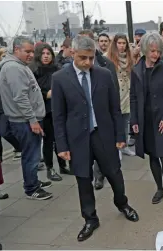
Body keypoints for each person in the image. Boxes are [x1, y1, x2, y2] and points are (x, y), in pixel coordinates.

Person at [52, 35, 139, 242]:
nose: (88, 63)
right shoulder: (60, 79)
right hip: (78, 139)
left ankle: (122, 203)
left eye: (91, 58)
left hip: (103, 134)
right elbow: (58, 116)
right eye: (83, 58)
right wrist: (62, 145)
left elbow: (114, 108)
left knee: (114, 174)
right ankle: (90, 219)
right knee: (83, 179)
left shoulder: (104, 74)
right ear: (73, 53)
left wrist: (120, 136)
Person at [0, 36, 52, 200]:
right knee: (31, 155)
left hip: (26, 119)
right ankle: (31, 188)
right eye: (27, 51)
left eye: (31, 51)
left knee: (32, 153)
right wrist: (33, 120)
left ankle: (33, 180)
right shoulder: (14, 68)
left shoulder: (19, 66)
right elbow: (20, 97)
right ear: (16, 50)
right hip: (24, 120)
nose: (31, 55)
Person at [130, 32, 163, 207]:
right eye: (152, 51)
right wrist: (134, 121)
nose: (155, 55)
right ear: (144, 50)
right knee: (153, 157)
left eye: (158, 51)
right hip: (146, 121)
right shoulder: (137, 70)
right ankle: (159, 189)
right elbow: (133, 97)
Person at [77, 29, 120, 190]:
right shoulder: (64, 75)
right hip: (81, 129)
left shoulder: (106, 66)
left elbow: (113, 97)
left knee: (110, 165)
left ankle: (103, 177)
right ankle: (96, 178)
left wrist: (119, 133)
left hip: (101, 123)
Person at [29, 43, 70, 181]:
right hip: (44, 110)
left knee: (61, 138)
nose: (46, 56)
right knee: (48, 140)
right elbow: (32, 92)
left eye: (48, 54)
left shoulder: (57, 70)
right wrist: (47, 94)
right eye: (43, 54)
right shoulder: (33, 71)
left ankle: (63, 165)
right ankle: (50, 168)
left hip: (58, 108)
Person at [105, 33, 135, 157]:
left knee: (126, 121)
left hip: (127, 92)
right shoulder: (107, 58)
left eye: (124, 43)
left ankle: (125, 146)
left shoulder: (129, 57)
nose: (122, 46)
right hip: (115, 92)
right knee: (115, 121)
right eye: (119, 43)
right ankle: (116, 147)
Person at [0, 47, 22, 166]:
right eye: (2, 56)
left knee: (5, 132)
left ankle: (21, 147)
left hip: (4, 107)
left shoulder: (7, 70)